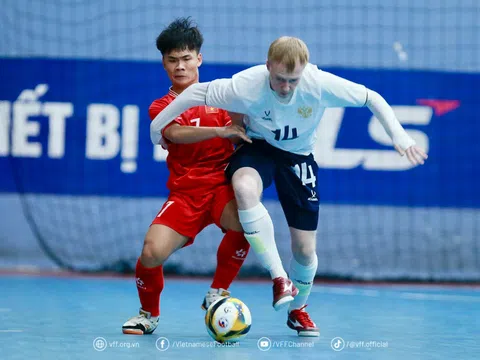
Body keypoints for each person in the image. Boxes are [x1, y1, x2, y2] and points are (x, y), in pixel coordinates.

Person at [149, 36, 428, 337]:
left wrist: (401, 138)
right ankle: (279, 277)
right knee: (243, 187)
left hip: (299, 157)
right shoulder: (245, 84)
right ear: (268, 67)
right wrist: (156, 131)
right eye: (279, 79)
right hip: (259, 148)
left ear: (304, 71)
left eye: (293, 81)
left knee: (305, 251)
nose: (285, 87)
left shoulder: (319, 84)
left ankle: (298, 310)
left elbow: (372, 97)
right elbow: (193, 95)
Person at [122, 17, 251, 335]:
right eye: (172, 60)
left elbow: (245, 129)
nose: (180, 66)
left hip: (222, 185)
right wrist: (221, 130)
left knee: (248, 220)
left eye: (186, 58)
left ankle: (218, 291)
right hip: (185, 194)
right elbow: (176, 132)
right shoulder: (162, 106)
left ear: (199, 59)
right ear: (164, 63)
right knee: (151, 253)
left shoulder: (223, 97)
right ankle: (148, 314)